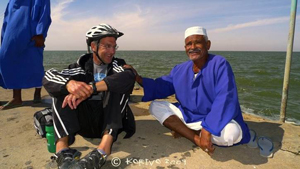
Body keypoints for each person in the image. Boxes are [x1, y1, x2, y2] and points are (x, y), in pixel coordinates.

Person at [127, 26, 251, 155]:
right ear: (185, 48)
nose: (192, 47)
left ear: (207, 45)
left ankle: (185, 131)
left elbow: (225, 99)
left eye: (197, 42)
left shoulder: (219, 64)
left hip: (213, 118)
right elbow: (162, 86)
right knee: (155, 106)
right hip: (188, 115)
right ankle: (195, 138)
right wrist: (138, 78)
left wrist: (207, 130)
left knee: (232, 134)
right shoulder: (180, 69)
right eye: (188, 44)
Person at [42, 23, 136, 168]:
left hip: (110, 123)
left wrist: (91, 89)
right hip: (83, 124)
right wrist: (69, 85)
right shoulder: (78, 68)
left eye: (114, 46)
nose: (112, 51)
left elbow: (129, 76)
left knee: (118, 85)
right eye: (107, 46)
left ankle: (103, 149)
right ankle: (62, 150)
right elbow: (48, 76)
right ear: (93, 47)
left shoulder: (117, 66)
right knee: (61, 88)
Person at [0, 0, 52, 110]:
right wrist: (4, 36)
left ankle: (37, 94)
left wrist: (40, 33)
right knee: (7, 59)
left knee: (35, 62)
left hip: (31, 32)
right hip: (12, 32)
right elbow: (7, 16)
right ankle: (16, 98)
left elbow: (44, 11)